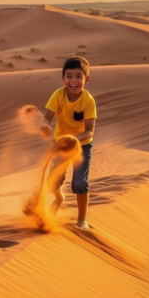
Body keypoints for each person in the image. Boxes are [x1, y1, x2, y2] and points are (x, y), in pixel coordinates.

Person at [39, 56, 96, 230]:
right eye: (69, 76)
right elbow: (47, 118)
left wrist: (73, 139)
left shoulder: (88, 101)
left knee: (79, 183)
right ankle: (59, 198)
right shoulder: (58, 95)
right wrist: (44, 126)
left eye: (79, 76)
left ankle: (81, 219)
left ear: (86, 79)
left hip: (81, 146)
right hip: (60, 146)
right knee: (52, 182)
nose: (73, 81)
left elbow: (89, 131)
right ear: (63, 78)